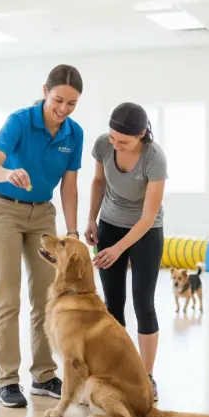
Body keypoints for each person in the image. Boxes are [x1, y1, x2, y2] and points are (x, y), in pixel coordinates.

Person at [0, 64, 84, 408]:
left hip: (43, 213)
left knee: (47, 296)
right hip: (4, 210)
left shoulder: (74, 134)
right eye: (58, 100)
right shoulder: (20, 122)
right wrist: (9, 173)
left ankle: (43, 375)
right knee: (7, 297)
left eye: (72, 103)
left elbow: (69, 185)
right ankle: (7, 380)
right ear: (45, 91)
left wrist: (71, 232)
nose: (64, 109)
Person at [85, 103, 167, 401]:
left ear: (142, 135)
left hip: (146, 230)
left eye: (123, 141)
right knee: (113, 303)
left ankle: (146, 377)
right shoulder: (102, 145)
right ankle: (116, 371)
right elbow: (97, 181)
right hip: (109, 223)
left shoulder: (154, 158)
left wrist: (119, 249)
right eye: (112, 138)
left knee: (144, 302)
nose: (115, 145)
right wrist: (91, 219)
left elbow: (148, 216)